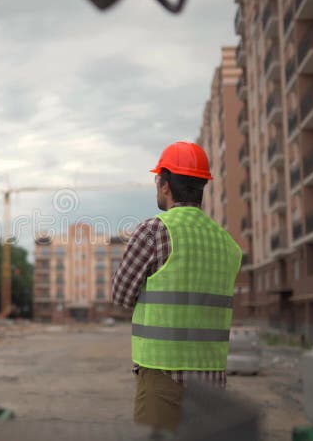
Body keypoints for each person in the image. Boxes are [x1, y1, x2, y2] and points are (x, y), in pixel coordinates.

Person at [111, 141, 242, 433]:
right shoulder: (228, 245)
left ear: (165, 184)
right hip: (212, 382)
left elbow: (119, 295)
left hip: (164, 378)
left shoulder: (154, 230)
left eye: (158, 180)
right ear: (202, 187)